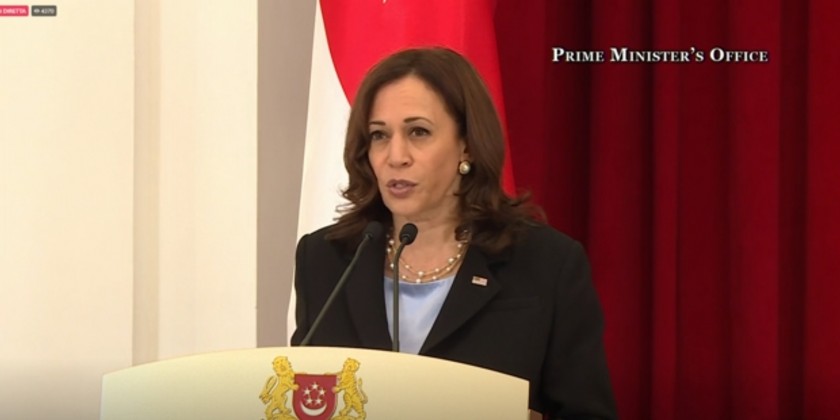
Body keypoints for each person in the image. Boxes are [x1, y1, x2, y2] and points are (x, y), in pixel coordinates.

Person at [290, 47, 616, 418]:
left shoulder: (546, 264)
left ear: (468, 146)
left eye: (418, 132)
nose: (395, 156)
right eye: (379, 135)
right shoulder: (325, 260)